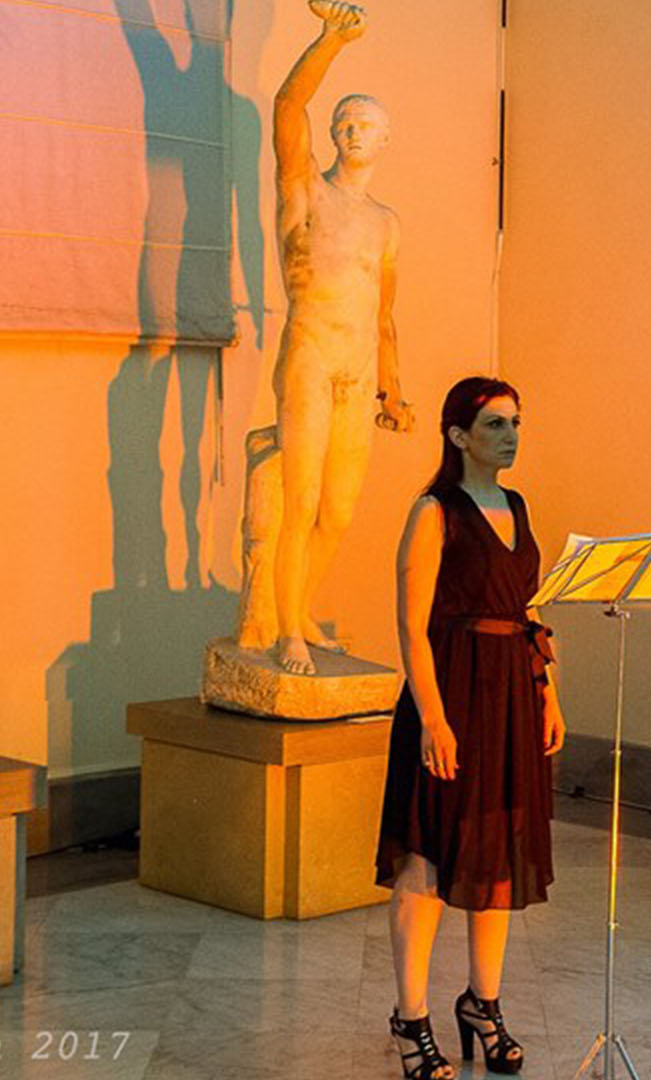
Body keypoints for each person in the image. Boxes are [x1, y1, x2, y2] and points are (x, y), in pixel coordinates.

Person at [376, 377, 566, 1079]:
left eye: (516, 422)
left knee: (496, 853)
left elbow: (532, 611)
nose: (511, 435)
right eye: (495, 425)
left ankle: (483, 1004)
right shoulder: (434, 511)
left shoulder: (518, 505)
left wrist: (549, 694)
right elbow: (411, 624)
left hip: (512, 690)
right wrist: (432, 716)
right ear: (459, 436)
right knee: (426, 857)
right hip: (451, 691)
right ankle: (411, 1018)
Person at [245, 0, 413, 675]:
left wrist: (394, 390)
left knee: (339, 512)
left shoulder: (386, 222)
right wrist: (331, 38)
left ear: (383, 140)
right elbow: (289, 105)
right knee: (302, 498)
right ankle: (285, 630)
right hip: (311, 355)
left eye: (365, 124)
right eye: (344, 121)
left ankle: (302, 607)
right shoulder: (304, 192)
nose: (350, 130)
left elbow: (384, 314)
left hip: (357, 362)